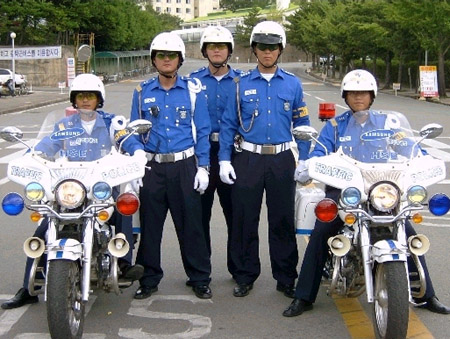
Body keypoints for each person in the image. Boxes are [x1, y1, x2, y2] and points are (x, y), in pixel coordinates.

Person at [283, 69, 450, 317]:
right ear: (346, 96)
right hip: (346, 192)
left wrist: (422, 159)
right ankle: (304, 296)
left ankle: (425, 295)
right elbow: (320, 153)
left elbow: (409, 147)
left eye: (363, 92)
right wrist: (310, 164)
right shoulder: (335, 127)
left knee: (408, 233)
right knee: (321, 232)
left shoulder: (388, 125)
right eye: (352, 93)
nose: (358, 97)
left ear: (371, 96)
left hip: (381, 191)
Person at [1, 73, 144, 310]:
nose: (85, 101)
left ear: (99, 99)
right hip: (70, 187)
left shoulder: (111, 122)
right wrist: (30, 157)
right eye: (80, 96)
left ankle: (124, 264)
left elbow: (126, 140)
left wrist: (137, 151)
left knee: (124, 206)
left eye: (90, 96)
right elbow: (45, 147)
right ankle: (28, 287)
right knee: (44, 227)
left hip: (101, 186)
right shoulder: (64, 126)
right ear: (74, 100)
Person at [218, 21, 311, 298]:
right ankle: (245, 275)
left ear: (280, 50)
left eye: (273, 48)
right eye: (262, 47)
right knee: (245, 219)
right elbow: (228, 125)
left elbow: (302, 122)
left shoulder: (293, 85)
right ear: (255, 50)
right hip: (248, 158)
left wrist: (305, 160)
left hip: (282, 159)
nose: (267, 52)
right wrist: (224, 160)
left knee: (282, 221)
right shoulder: (240, 85)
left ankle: (285, 277)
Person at [121, 32, 213, 300]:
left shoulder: (193, 91)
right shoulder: (142, 92)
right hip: (153, 168)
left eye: (171, 55)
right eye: (161, 55)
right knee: (151, 226)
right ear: (154, 59)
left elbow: (203, 131)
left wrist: (204, 168)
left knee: (191, 226)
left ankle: (199, 278)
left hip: (185, 165)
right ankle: (149, 279)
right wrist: (137, 156)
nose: (166, 60)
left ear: (180, 59)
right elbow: (131, 133)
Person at [189, 26, 240, 279]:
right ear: (205, 51)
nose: (217, 50)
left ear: (229, 51)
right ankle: (201, 272)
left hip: (234, 153)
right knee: (198, 217)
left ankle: (238, 270)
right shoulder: (193, 83)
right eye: (212, 46)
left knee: (237, 215)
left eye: (222, 46)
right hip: (203, 151)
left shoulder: (241, 81)